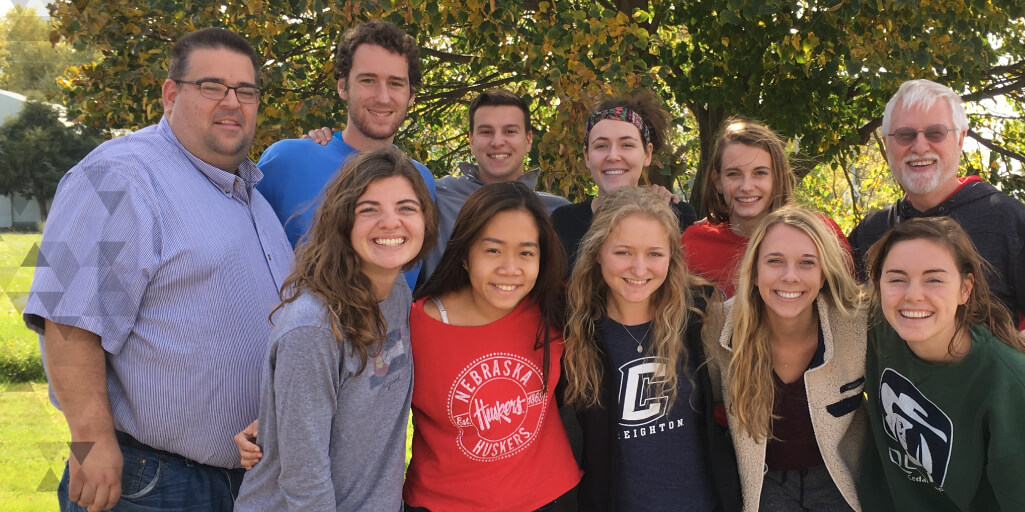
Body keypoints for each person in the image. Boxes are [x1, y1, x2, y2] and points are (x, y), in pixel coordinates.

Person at [22, 28, 294, 511]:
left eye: (245, 91)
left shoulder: (250, 196)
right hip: (149, 484)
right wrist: (90, 442)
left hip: (241, 483)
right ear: (171, 94)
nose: (232, 102)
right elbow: (66, 317)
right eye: (212, 87)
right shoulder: (121, 175)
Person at [234, 148, 438, 510]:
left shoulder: (396, 292)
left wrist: (282, 417)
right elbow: (305, 485)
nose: (391, 222)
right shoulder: (314, 327)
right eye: (369, 209)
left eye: (406, 208)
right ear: (343, 222)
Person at [562, 186, 741, 512]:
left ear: (672, 255)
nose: (640, 269)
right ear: (597, 251)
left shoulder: (700, 315)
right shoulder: (573, 331)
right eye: (624, 252)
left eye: (654, 254)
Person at [404, 182, 581, 511]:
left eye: (526, 252)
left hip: (550, 498)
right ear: (465, 254)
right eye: (493, 250)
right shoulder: (415, 326)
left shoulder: (554, 306)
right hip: (444, 504)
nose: (510, 268)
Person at [703, 206, 867, 511]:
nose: (790, 276)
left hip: (841, 482)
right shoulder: (719, 330)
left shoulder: (855, 324)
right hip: (761, 485)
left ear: (823, 275)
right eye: (775, 261)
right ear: (753, 272)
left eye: (807, 263)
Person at [858, 217, 1025, 511]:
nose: (913, 295)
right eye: (896, 278)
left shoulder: (1007, 383)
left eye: (934, 279)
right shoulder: (878, 325)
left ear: (965, 289)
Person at [256, 20, 436, 290]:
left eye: (396, 83)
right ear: (343, 87)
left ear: (411, 95)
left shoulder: (422, 181)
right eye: (368, 80)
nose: (383, 97)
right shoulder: (286, 161)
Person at [848, 79, 1025, 330]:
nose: (920, 147)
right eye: (905, 135)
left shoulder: (1011, 222)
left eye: (935, 133)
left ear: (961, 139)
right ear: (887, 145)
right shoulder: (870, 233)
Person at [684, 118, 849, 297]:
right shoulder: (694, 243)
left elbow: (849, 306)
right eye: (733, 174)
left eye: (760, 173)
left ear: (777, 178)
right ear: (718, 182)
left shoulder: (823, 235)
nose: (746, 186)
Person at [551, 90, 697, 271]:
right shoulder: (563, 221)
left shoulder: (677, 216)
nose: (613, 156)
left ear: (647, 153)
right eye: (601, 146)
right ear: (587, 156)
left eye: (627, 145)